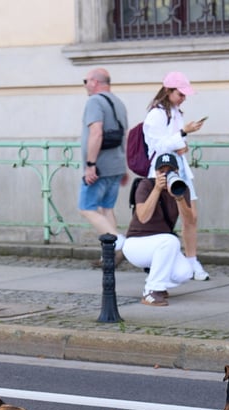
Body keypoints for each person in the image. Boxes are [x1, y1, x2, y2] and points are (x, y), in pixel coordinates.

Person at [142, 71, 209, 281]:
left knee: (191, 215)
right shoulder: (156, 115)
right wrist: (182, 133)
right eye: (180, 94)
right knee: (163, 217)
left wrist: (182, 142)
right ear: (168, 91)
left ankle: (191, 259)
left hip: (179, 168)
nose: (183, 98)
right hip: (163, 169)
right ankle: (160, 261)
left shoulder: (175, 112)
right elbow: (157, 145)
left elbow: (173, 142)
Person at [122, 153, 195, 306]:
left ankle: (158, 282)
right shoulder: (146, 185)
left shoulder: (181, 188)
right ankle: (151, 291)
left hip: (161, 245)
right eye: (162, 171)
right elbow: (143, 217)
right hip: (136, 244)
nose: (166, 174)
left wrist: (179, 197)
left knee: (185, 272)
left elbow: (189, 221)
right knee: (171, 241)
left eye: (170, 171)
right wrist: (156, 189)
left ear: (177, 172)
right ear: (155, 173)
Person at [79, 68, 128, 266]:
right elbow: (124, 135)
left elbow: (96, 133)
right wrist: (124, 166)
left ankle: (120, 243)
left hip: (99, 167)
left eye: (85, 81)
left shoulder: (95, 102)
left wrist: (90, 165)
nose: (85, 85)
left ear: (94, 82)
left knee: (86, 208)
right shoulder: (118, 102)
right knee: (107, 209)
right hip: (116, 165)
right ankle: (109, 256)